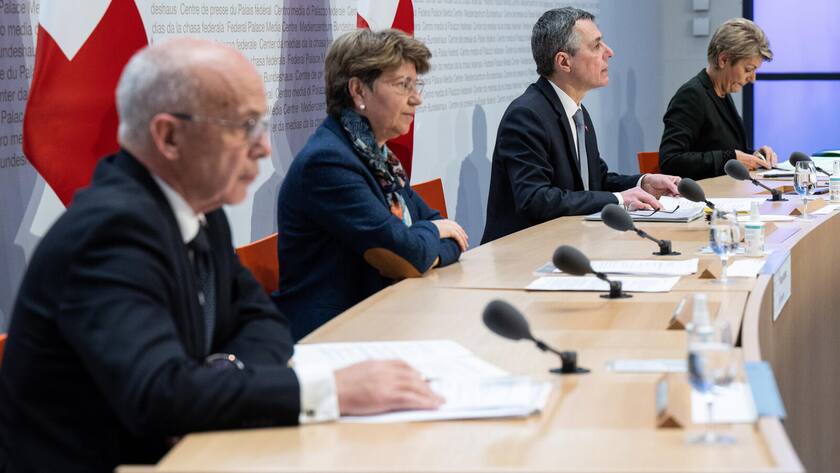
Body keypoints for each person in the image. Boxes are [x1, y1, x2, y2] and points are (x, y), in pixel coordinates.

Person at [0, 38, 443, 473]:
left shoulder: (199, 211)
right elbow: (161, 397)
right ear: (169, 136)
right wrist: (329, 389)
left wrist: (213, 378)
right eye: (243, 125)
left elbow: (265, 322)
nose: (264, 147)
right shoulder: (108, 233)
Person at [274, 29, 467, 340]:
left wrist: (426, 240)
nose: (416, 99)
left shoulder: (376, 155)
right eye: (404, 85)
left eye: (416, 85)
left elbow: (440, 231)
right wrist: (431, 237)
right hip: (332, 335)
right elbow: (411, 253)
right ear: (359, 91)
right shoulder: (328, 163)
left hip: (382, 316)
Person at [482, 7, 681, 244]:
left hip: (567, 243)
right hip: (521, 254)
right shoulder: (527, 116)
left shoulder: (577, 110)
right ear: (564, 62)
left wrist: (643, 183)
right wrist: (618, 199)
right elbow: (535, 199)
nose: (609, 52)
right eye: (596, 46)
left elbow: (595, 180)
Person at [659, 18, 775, 180]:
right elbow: (670, 161)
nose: (753, 78)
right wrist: (729, 158)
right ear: (723, 60)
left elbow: (724, 150)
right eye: (748, 69)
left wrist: (754, 157)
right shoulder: (691, 95)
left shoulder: (721, 93)